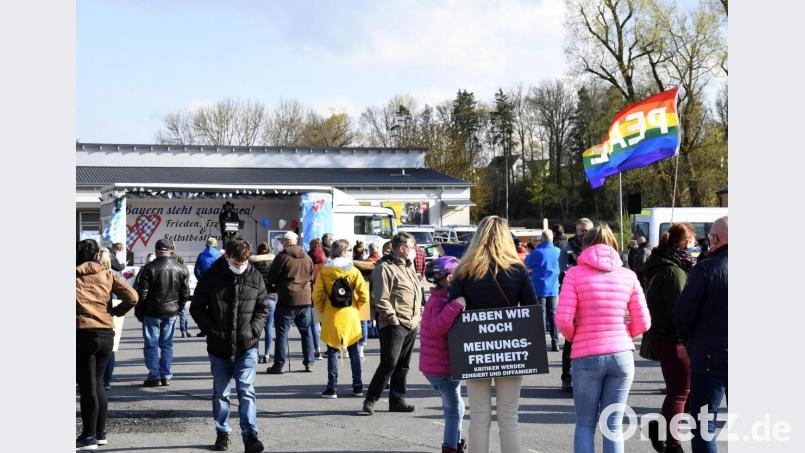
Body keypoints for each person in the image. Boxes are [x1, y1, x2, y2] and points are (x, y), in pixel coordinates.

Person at [556, 225, 650, 453]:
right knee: (613, 426)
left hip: (586, 355)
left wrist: (575, 337)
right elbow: (644, 322)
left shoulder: (574, 274)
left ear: (586, 245)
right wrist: (625, 334)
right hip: (621, 355)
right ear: (615, 246)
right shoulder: (628, 276)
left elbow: (563, 319)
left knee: (585, 424)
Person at [447, 216, 537, 453]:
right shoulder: (517, 271)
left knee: (478, 418)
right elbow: (532, 309)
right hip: (510, 347)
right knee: (509, 417)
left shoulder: (463, 272)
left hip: (474, 348)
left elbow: (451, 311)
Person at [190, 238, 268, 453]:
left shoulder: (254, 275)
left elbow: (263, 308)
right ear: (227, 256)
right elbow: (196, 308)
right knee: (221, 393)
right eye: (236, 263)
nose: (240, 268)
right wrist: (211, 330)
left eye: (243, 264)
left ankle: (251, 436)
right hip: (219, 346)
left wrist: (253, 331)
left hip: (247, 345)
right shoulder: (211, 276)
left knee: (246, 391)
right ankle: (222, 432)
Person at [76, 239, 138, 450]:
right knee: (99, 383)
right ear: (96, 256)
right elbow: (132, 296)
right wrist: (115, 312)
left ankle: (88, 436)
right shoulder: (107, 274)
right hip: (105, 332)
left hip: (82, 333)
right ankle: (101, 433)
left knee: (87, 387)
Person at [642, 223, 697, 453]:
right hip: (673, 338)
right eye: (693, 241)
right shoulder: (674, 270)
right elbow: (681, 310)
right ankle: (673, 443)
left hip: (664, 336)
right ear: (685, 242)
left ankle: (661, 430)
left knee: (678, 390)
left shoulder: (664, 263)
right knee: (681, 391)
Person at [675, 216, 728, 453]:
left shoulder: (705, 269)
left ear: (715, 239)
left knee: (703, 424)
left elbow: (683, 314)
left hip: (710, 357)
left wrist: (690, 342)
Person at [362, 231, 423, 415]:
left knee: (403, 365)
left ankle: (397, 400)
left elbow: (416, 292)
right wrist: (393, 319)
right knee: (389, 363)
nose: (414, 251)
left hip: (411, 322)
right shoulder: (384, 268)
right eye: (412, 247)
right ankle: (371, 399)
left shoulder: (408, 266)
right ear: (402, 249)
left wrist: (418, 312)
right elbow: (381, 298)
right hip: (394, 323)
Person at [420, 256, 467, 453]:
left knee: (458, 406)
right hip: (441, 366)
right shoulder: (439, 301)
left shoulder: (440, 298)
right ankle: (450, 447)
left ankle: (455, 443)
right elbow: (438, 327)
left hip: (439, 364)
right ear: (448, 278)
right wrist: (456, 306)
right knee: (454, 409)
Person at [312, 239, 370, 398]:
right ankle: (357, 386)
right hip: (350, 314)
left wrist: (324, 308)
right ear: (344, 252)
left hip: (332, 314)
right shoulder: (353, 270)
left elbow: (317, 294)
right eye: (349, 249)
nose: (351, 252)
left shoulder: (325, 270)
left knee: (332, 351)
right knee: (354, 351)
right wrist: (356, 307)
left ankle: (332, 387)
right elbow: (364, 294)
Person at [134, 239, 191, 387]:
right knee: (166, 344)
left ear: (156, 251)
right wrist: (179, 306)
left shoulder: (149, 267)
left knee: (151, 343)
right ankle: (165, 374)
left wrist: (139, 310)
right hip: (171, 310)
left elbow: (143, 293)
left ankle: (155, 375)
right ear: (170, 250)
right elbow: (185, 292)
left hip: (152, 310)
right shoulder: (181, 268)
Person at [265, 231, 316, 374]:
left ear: (287, 242)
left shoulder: (282, 257)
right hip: (305, 298)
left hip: (287, 298)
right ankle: (309, 363)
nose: (281, 243)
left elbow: (272, 277)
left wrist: (276, 286)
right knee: (306, 332)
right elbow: (311, 276)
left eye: (282, 241)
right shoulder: (307, 257)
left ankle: (279, 365)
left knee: (282, 333)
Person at [558, 218, 594, 393]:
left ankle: (589, 379)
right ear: (577, 231)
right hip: (574, 301)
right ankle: (567, 377)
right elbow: (562, 275)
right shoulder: (568, 248)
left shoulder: (597, 249)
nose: (585, 234)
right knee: (570, 341)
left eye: (588, 231)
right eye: (582, 231)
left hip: (593, 302)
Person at [525, 229, 561, 351]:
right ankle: (555, 342)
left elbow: (526, 265)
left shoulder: (537, 252)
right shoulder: (558, 252)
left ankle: (540, 343)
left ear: (542, 239)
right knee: (553, 316)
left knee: (540, 315)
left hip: (539, 287)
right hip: (554, 288)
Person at [98, 249, 126, 392]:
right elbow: (131, 296)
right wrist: (118, 310)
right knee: (111, 348)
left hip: (101, 312)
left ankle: (99, 379)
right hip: (113, 312)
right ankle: (107, 380)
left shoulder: (95, 275)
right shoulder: (115, 275)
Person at [250, 242, 276, 365]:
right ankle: (266, 355)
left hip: (256, 297)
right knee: (269, 327)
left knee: (255, 327)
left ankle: (254, 353)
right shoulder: (274, 261)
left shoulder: (252, 262)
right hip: (271, 296)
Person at [308, 238, 327, 361]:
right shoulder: (326, 260)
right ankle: (333, 348)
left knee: (315, 324)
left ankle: (317, 350)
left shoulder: (307, 258)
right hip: (325, 293)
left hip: (312, 293)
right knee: (328, 322)